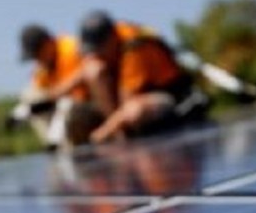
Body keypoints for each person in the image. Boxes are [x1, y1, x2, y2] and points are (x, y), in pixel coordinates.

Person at [74, 10, 206, 144]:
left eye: (98, 50)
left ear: (111, 39)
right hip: (127, 105)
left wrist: (102, 133)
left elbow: (127, 104)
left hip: (170, 99)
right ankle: (119, 134)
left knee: (135, 110)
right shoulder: (110, 49)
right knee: (93, 71)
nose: (95, 55)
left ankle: (120, 137)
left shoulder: (134, 46)